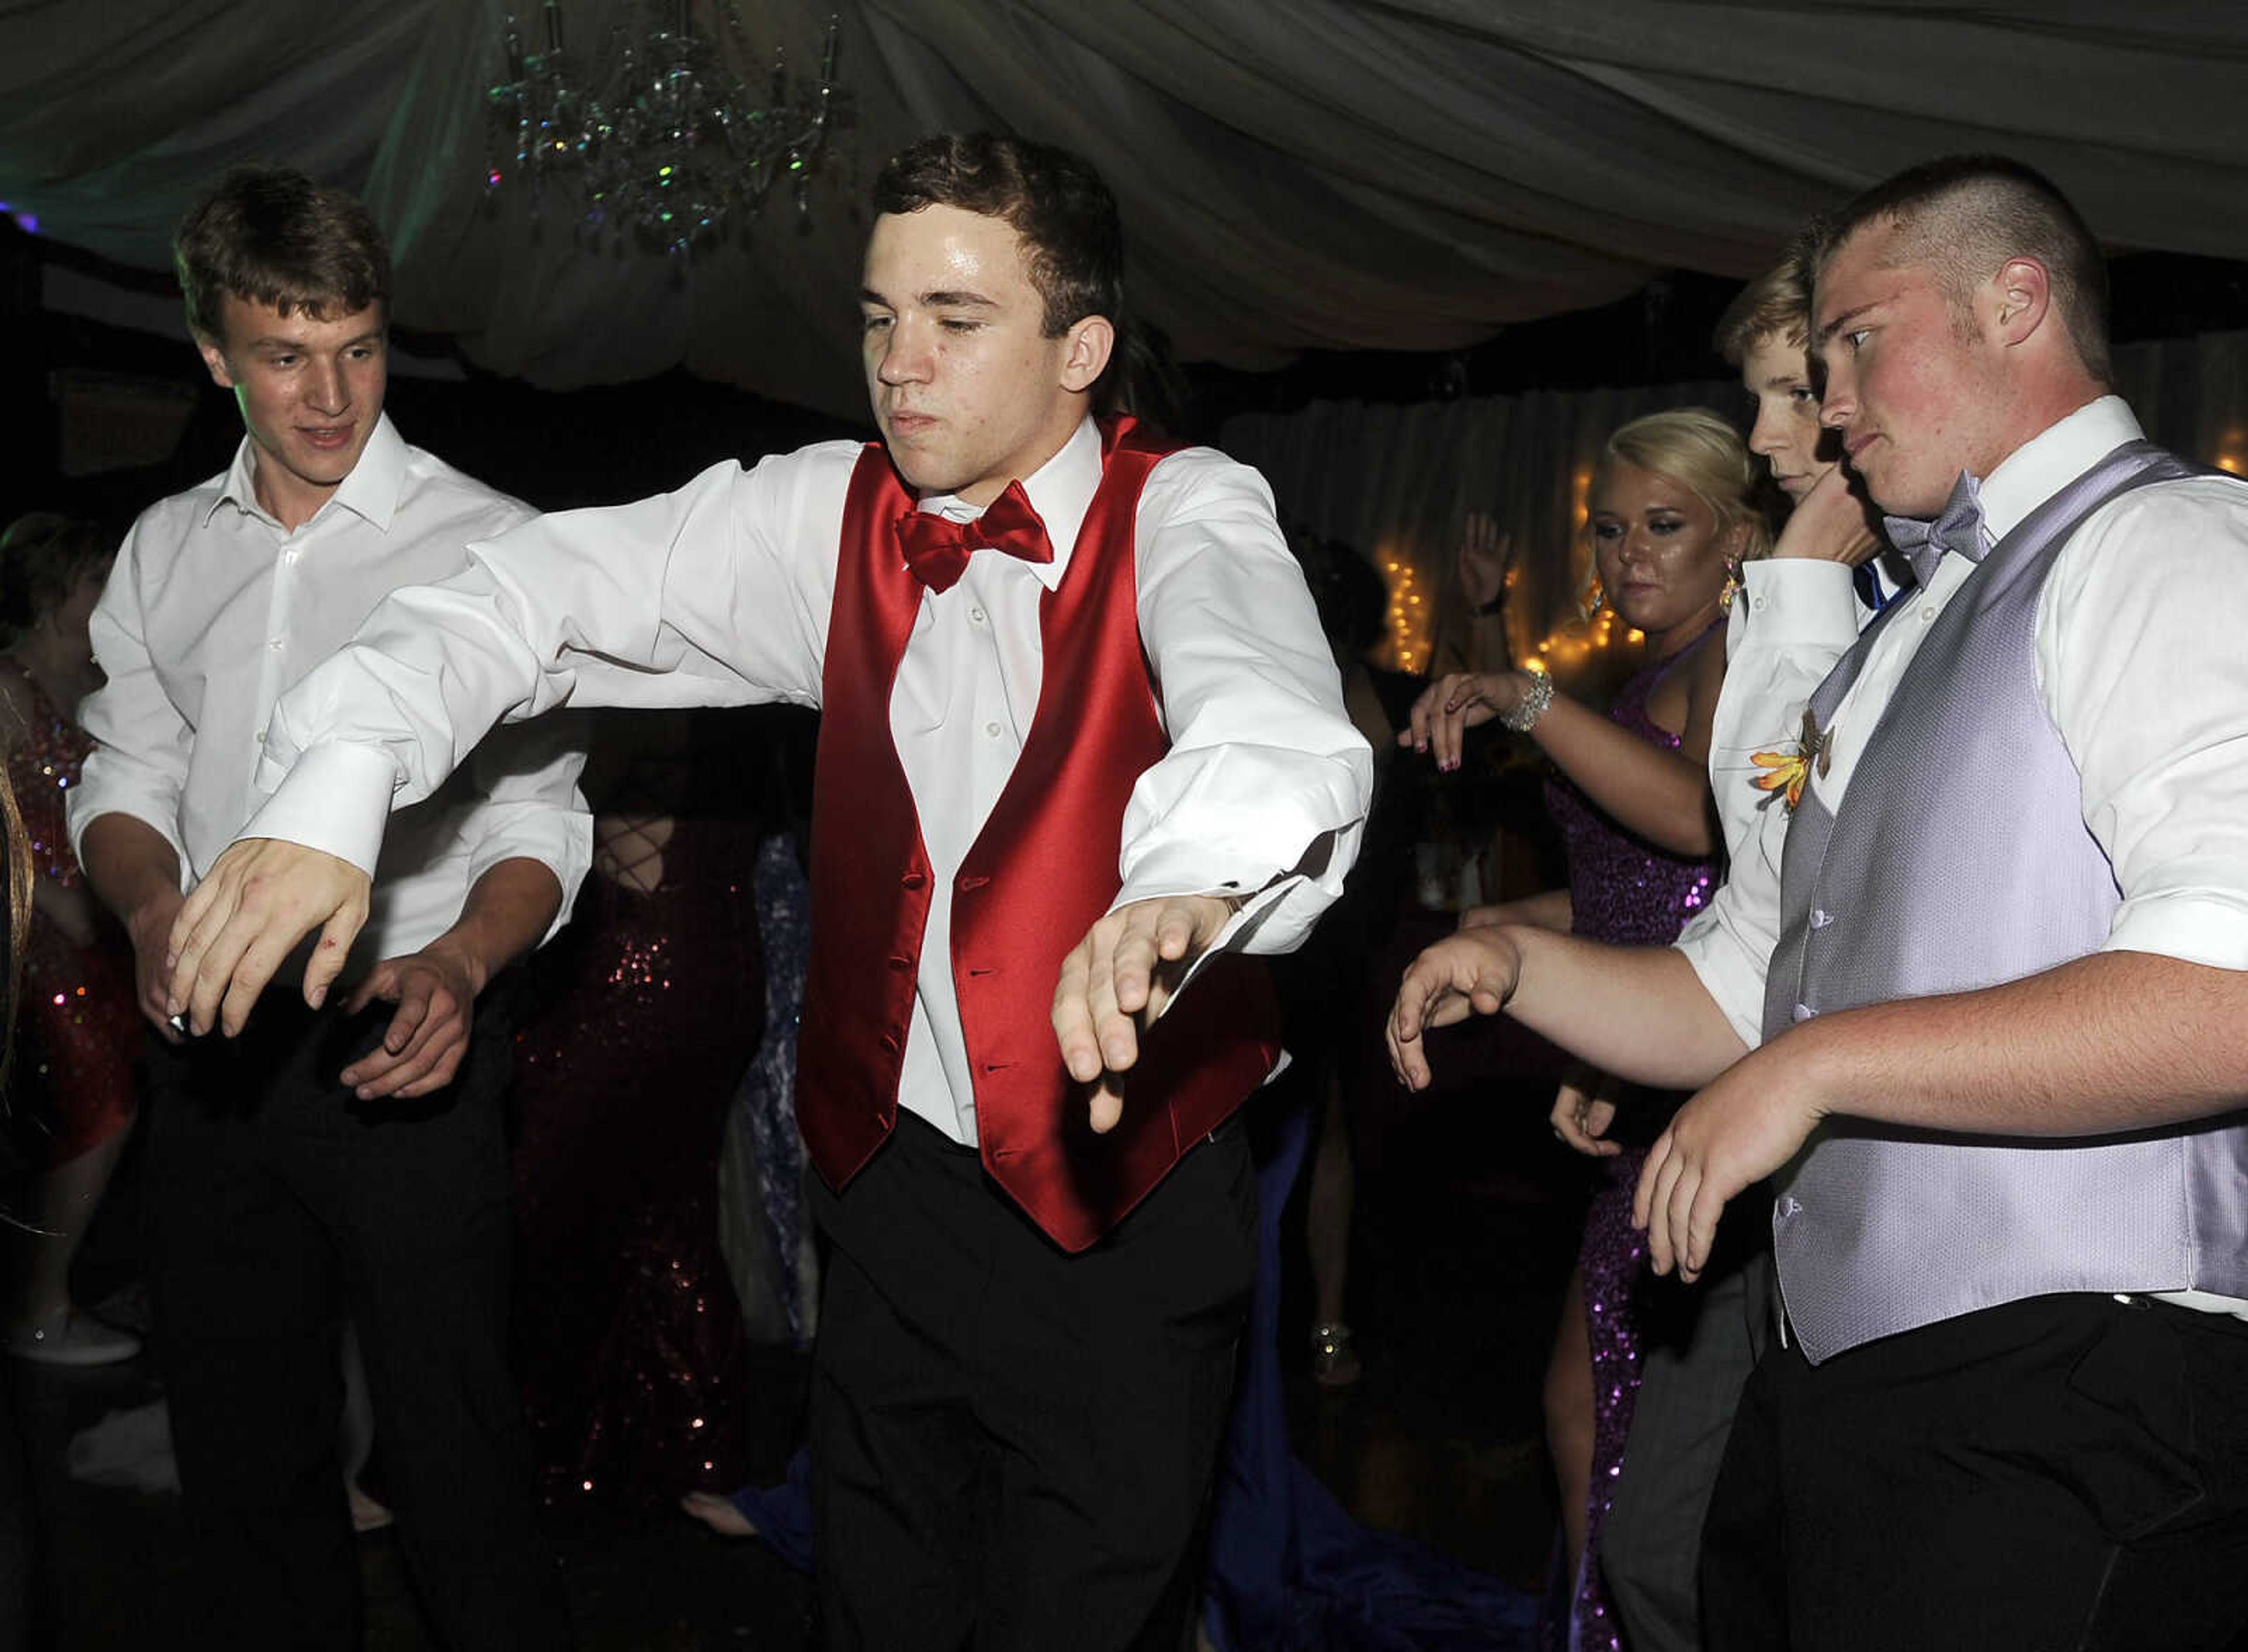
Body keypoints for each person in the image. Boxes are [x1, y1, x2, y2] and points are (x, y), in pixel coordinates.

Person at [159, 133, 1372, 1651]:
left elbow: (1271, 717)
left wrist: (1187, 885)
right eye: (877, 319)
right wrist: (335, 785)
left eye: (954, 318)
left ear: (1082, 347)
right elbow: (531, 591)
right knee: (877, 1611)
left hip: (1121, 1219)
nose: (899, 363)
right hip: (893, 1201)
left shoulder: (1192, 510)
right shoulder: (827, 517)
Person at [1389, 155, 2248, 1651]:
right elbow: (1743, 987)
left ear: (2017, 302)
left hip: (2083, 1382)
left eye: (1858, 339)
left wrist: (1818, 1067)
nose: (1829, 399)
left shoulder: (2160, 546)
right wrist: (1516, 972)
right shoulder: (1907, 631)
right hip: (1855, 1385)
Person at [67, 167, 589, 1649]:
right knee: (244, 1444)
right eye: (286, 355)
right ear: (214, 355)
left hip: (402, 1035)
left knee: (454, 1444)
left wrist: (466, 967)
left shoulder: (494, 541)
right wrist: (154, 903)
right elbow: (126, 765)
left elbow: (542, 812)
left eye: (358, 347)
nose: (331, 393)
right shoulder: (167, 546)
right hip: (212, 1045)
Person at [1406, 408, 1766, 1651]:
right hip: (1633, 1069)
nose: (1626, 555)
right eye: (1609, 530)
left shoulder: (1740, 649)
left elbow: (1695, 825)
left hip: (1700, 1074)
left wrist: (1529, 692)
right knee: (1581, 1409)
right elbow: (1628, 884)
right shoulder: (1649, 670)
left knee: (1619, 1438)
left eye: (1663, 525)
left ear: (1739, 534)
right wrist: (1512, 929)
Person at [1595, 246, 1887, 1652]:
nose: (1776, 431)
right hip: (1740, 1089)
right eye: (1769, 393)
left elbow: (1743, 824)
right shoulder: (1811, 587)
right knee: (1662, 1541)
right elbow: (1766, 887)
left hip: (1884, 1166)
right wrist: (1607, 1007)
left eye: (1797, 392)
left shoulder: (1903, 598)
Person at [0, 515, 143, 1366]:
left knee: (113, 1099)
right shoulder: (7, 685)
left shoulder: (94, 681)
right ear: (54, 598)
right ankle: (37, 1311)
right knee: (102, 1106)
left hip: (99, 924)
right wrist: (59, 900)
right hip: (34, 930)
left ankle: (53, 1290)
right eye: (96, 582)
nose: (113, 596)